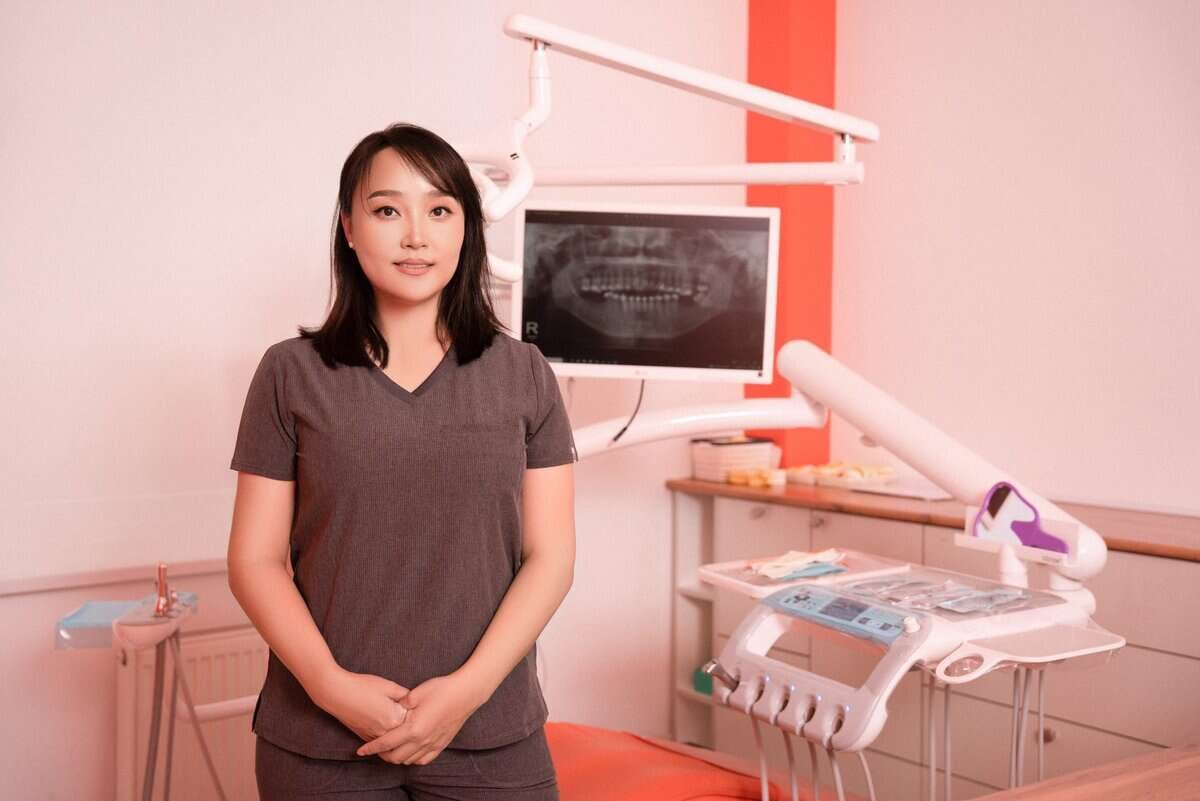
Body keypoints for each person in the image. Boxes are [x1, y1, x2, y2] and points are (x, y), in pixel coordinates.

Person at [227, 123, 577, 800]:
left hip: (489, 738)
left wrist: (465, 694)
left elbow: (551, 556)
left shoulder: (525, 374)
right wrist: (333, 689)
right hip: (321, 746)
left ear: (467, 232)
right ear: (349, 228)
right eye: (388, 209)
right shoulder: (289, 374)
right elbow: (254, 559)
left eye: (440, 210)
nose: (415, 234)